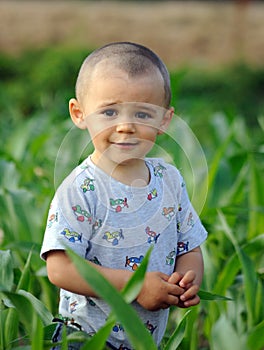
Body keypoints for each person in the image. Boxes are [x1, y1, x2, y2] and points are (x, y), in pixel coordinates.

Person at [40, 42, 207, 349]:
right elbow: (60, 266)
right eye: (109, 111)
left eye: (143, 113)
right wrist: (135, 286)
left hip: (144, 340)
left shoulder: (170, 180)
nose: (126, 126)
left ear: (164, 120)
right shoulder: (81, 189)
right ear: (79, 114)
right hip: (85, 339)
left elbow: (189, 246)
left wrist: (186, 280)